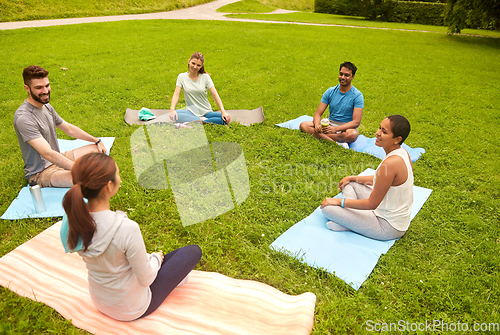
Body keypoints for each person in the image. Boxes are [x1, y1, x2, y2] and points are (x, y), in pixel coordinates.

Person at [61, 153, 202, 321]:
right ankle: (172, 274)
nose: (120, 178)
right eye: (118, 174)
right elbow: (147, 278)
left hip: (99, 301)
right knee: (192, 251)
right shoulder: (126, 228)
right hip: (133, 308)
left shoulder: (73, 220)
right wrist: (156, 258)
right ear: (108, 186)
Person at [320, 115, 413, 241]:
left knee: (327, 208)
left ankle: (349, 222)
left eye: (384, 132)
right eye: (380, 128)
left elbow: (371, 204)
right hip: (384, 209)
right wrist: (352, 177)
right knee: (351, 183)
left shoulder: (391, 163)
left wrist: (338, 202)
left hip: (388, 226)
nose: (377, 133)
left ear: (397, 139)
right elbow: (378, 180)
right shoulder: (402, 152)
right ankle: (351, 221)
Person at [13, 65, 107, 188]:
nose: (45, 91)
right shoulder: (24, 118)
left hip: (58, 158)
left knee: (97, 150)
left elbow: (68, 128)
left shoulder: (46, 107)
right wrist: (77, 168)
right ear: (27, 88)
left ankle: (70, 167)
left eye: (47, 85)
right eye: (38, 88)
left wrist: (96, 140)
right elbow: (48, 154)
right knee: (89, 178)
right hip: (42, 172)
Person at [299, 61, 364, 147]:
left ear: (353, 77)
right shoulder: (330, 91)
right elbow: (318, 114)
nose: (343, 77)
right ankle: (335, 143)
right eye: (341, 74)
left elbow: (356, 122)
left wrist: (335, 129)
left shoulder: (357, 95)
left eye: (347, 75)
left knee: (353, 134)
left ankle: (322, 137)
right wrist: (317, 125)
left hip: (345, 128)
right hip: (329, 124)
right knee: (303, 125)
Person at [169, 52, 231, 125]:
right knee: (175, 115)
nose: (195, 67)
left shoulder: (205, 77)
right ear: (189, 61)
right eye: (193, 63)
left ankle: (198, 120)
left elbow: (215, 95)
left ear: (201, 66)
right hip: (191, 112)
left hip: (206, 112)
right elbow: (176, 94)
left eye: (198, 65)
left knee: (225, 119)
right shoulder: (181, 77)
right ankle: (202, 120)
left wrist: (223, 111)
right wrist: (172, 109)